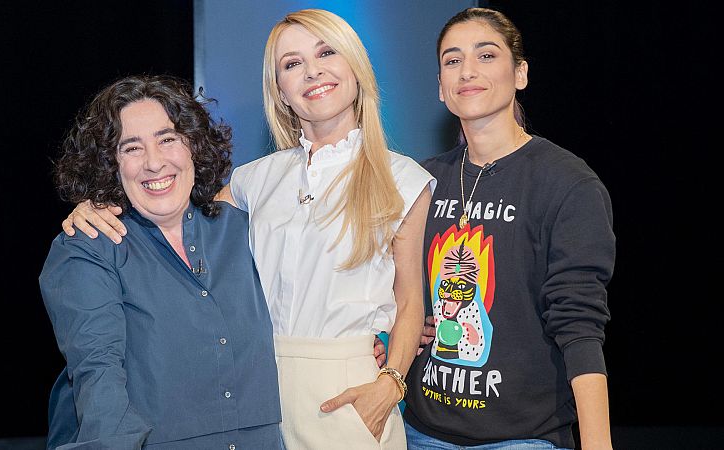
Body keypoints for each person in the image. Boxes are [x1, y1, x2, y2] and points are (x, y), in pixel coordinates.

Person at [62, 9, 435, 449]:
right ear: (281, 91)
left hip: (349, 396)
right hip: (257, 396)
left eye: (326, 52)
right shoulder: (253, 179)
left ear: (355, 64)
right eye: (291, 64)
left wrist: (390, 383)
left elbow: (410, 298)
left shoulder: (404, 179)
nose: (312, 71)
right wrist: (98, 201)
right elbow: (168, 205)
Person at [401, 7, 615, 450]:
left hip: (522, 438)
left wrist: (597, 443)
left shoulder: (567, 183)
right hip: (418, 433)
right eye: (452, 60)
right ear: (441, 88)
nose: (467, 72)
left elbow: (579, 323)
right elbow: (396, 293)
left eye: (486, 55)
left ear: (520, 74)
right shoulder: (419, 180)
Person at [40, 74, 283, 449]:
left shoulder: (245, 231)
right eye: (131, 148)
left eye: (167, 139)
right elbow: (98, 375)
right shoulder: (89, 247)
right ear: (110, 163)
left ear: (193, 146)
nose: (154, 163)